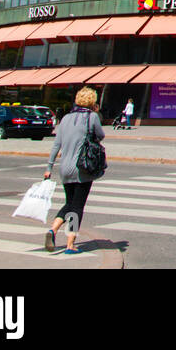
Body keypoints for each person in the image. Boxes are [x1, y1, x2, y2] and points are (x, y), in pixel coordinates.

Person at [43, 86, 105, 255]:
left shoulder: (65, 119)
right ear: (92, 102)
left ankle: (53, 229)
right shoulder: (92, 117)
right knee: (77, 207)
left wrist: (49, 167)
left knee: (70, 203)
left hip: (65, 168)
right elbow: (101, 135)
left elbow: (56, 145)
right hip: (82, 168)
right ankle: (70, 244)